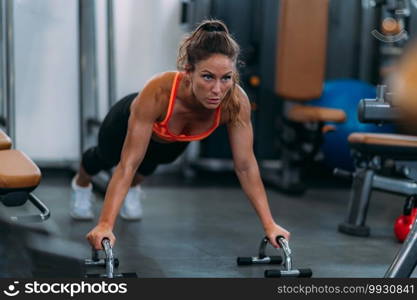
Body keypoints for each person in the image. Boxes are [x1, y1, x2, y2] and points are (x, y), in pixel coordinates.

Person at [72, 19, 290, 250]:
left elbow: (246, 166)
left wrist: (270, 225)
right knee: (104, 158)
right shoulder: (158, 92)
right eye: (207, 77)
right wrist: (105, 224)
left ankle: (133, 190)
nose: (217, 90)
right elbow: (127, 164)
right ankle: (81, 184)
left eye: (226, 77)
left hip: (171, 140)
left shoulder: (236, 102)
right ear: (188, 72)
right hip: (124, 123)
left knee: (151, 164)